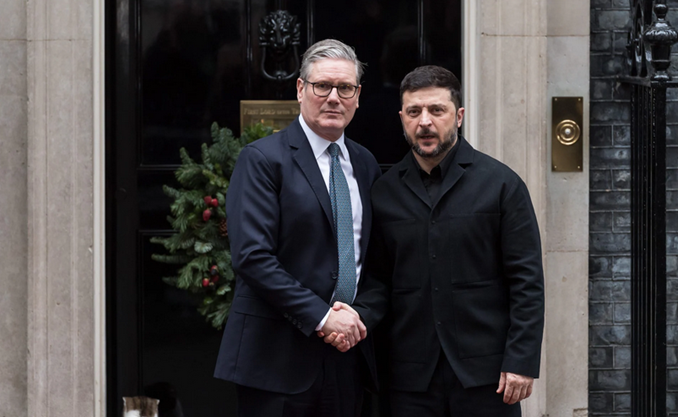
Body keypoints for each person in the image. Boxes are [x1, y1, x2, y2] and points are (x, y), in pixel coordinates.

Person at [326, 65, 545, 416]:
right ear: (402, 119)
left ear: (458, 116)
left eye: (437, 110)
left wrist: (521, 360)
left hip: (487, 376)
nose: (424, 122)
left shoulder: (502, 185)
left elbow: (526, 281)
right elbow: (378, 280)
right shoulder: (383, 192)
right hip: (408, 379)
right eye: (414, 112)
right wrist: (353, 316)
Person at [213, 39, 383, 417]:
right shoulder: (262, 160)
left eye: (345, 88)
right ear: (301, 89)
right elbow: (252, 257)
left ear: (357, 96)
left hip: (347, 358)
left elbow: (375, 259)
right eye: (323, 86)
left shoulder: (366, 164)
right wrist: (323, 318)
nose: (334, 98)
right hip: (276, 360)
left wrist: (358, 319)